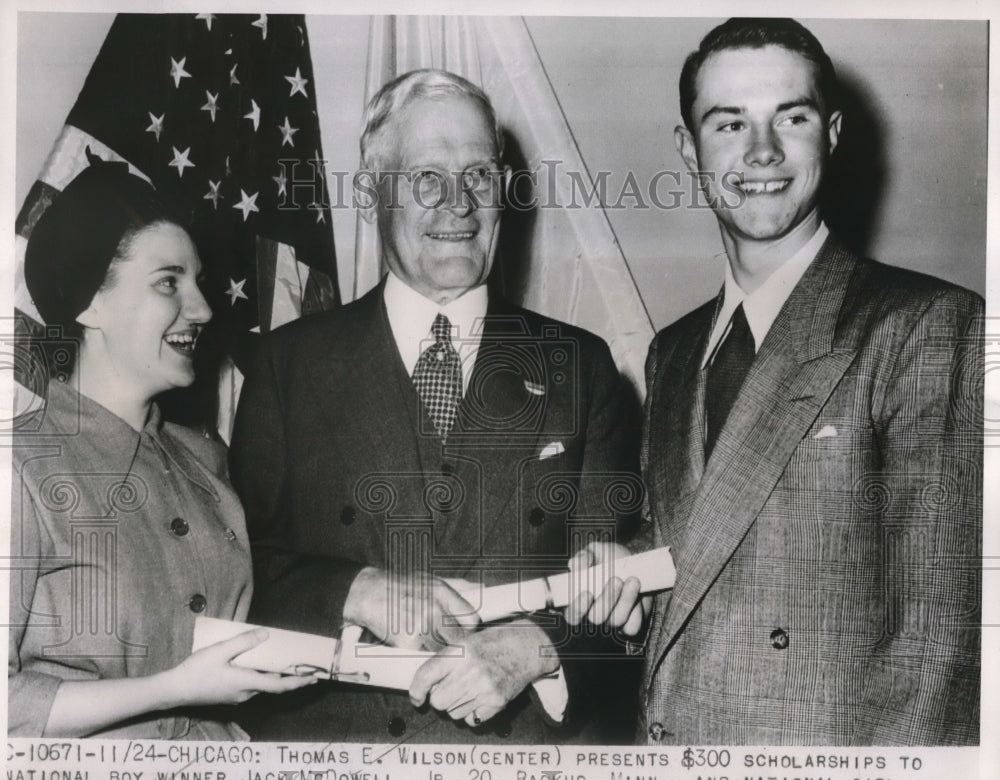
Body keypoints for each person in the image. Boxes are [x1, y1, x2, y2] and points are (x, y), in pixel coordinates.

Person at [574, 17, 982, 745]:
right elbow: (702, 552)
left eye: (788, 118)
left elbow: (942, 644)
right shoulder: (674, 351)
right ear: (688, 148)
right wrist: (628, 568)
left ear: (830, 132)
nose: (760, 152)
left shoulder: (928, 327)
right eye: (728, 123)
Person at [229, 69, 641, 743]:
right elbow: (234, 582)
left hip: (525, 769)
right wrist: (352, 591)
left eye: (479, 176)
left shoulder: (582, 366)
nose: (460, 205)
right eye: (426, 178)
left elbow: (622, 599)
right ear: (369, 195)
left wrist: (537, 646)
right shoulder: (286, 366)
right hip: (340, 767)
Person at [9, 159, 315, 739]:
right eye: (168, 282)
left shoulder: (207, 465)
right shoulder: (19, 469)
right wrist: (174, 690)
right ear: (87, 303)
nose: (201, 309)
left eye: (196, 282)